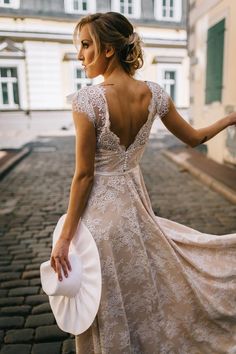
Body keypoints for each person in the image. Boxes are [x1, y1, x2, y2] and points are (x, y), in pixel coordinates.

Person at [50, 11, 236, 354]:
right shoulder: (155, 94)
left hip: (99, 223)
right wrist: (229, 118)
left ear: (109, 49)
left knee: (106, 302)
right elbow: (195, 139)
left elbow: (84, 175)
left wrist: (64, 238)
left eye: (87, 45)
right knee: (141, 296)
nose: (80, 55)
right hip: (137, 215)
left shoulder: (87, 101)